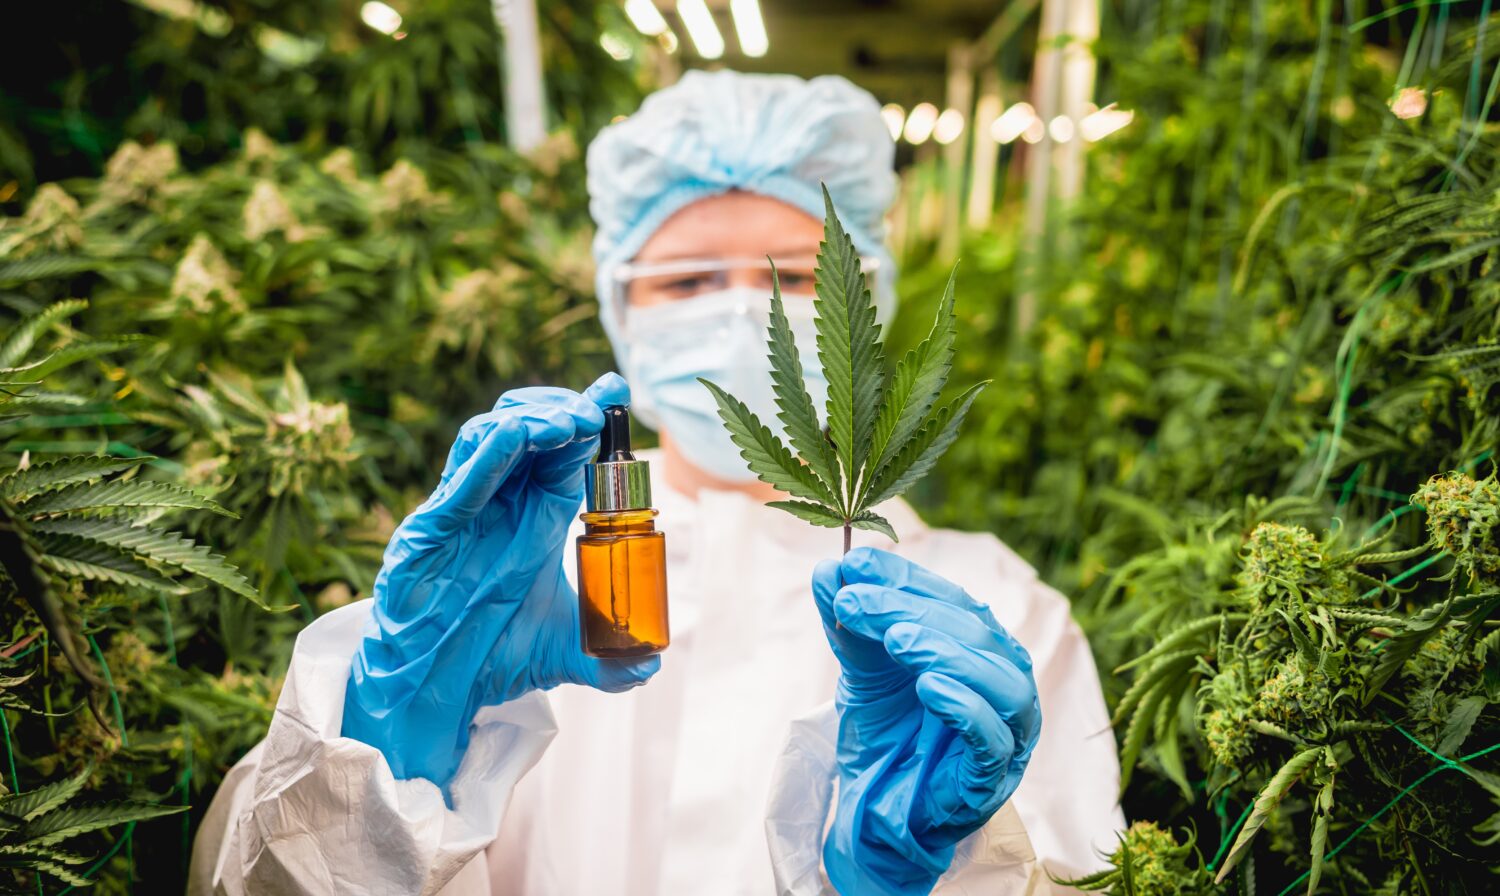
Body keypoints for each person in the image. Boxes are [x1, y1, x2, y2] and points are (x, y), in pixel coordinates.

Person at [189, 71, 1123, 896]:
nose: (743, 313)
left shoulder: (990, 608)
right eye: (684, 282)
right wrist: (384, 760)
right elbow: (246, 881)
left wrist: (941, 878)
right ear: (618, 309)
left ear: (862, 301)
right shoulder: (513, 582)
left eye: (794, 275)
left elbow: (1089, 872)